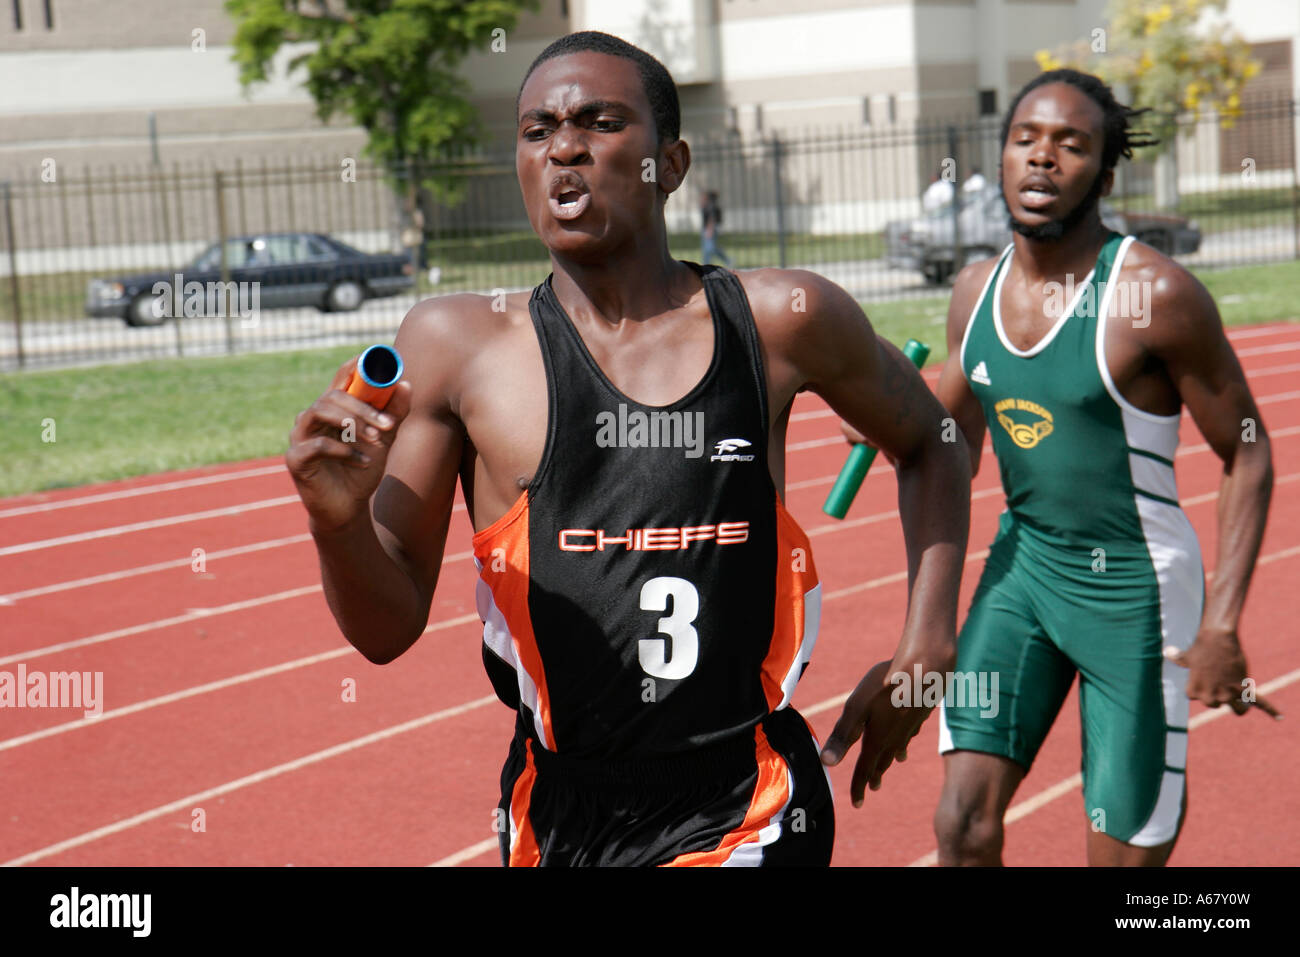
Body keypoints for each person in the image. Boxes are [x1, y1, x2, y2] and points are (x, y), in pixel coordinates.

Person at [285, 31, 971, 867]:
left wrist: (927, 649)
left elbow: (934, 440)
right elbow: (386, 630)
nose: (564, 146)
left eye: (599, 122)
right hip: (556, 812)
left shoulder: (783, 319)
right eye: (537, 130)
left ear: (670, 164)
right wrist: (337, 521)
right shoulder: (454, 346)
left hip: (747, 798)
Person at [911, 69, 1275, 865]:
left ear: (1104, 176)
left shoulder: (1156, 294)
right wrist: (895, 423)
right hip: (1023, 572)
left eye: (1071, 146)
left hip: (1136, 595)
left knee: (1116, 858)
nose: (1042, 160)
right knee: (959, 826)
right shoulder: (975, 291)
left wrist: (1221, 627)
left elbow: (1247, 447)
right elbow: (953, 439)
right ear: (1001, 157)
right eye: (1025, 140)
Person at [699, 189, 734, 267]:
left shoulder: (711, 206)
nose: (701, 198)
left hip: (709, 229)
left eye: (703, 197)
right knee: (707, 249)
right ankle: (706, 264)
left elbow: (712, 219)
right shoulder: (707, 205)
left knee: (711, 248)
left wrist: (709, 230)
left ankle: (726, 260)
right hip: (706, 229)